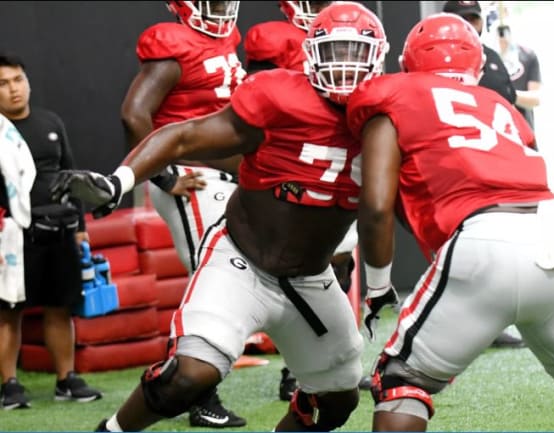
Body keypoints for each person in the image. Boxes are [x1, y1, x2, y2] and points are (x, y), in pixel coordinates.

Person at [50, 2, 389, 431]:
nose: (344, 67)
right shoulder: (278, 94)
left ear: (378, 57)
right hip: (241, 261)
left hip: (308, 277)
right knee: (188, 377)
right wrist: (119, 181)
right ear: (310, 53)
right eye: (334, 52)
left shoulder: (386, 116)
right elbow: (185, 134)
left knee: (338, 400)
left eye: (354, 53)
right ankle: (112, 430)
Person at [346, 13, 554, 432]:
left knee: (402, 380)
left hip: (487, 236)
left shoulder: (394, 96)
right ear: (475, 66)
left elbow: (377, 205)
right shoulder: (499, 106)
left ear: (408, 62)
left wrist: (379, 284)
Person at [120, 1, 246, 427]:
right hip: (192, 178)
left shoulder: (226, 36)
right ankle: (198, 396)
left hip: (222, 173)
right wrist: (164, 175)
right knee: (206, 280)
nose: (219, 8)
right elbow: (133, 113)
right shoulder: (172, 44)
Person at [244, 0, 364, 400]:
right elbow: (253, 101)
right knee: (301, 265)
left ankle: (320, 358)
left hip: (342, 153)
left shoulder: (354, 26)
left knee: (340, 263)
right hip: (296, 158)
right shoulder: (274, 39)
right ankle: (292, 367)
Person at [0, 53, 102, 409]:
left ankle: (66, 380)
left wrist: (80, 228)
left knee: (60, 307)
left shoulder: (50, 121)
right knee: (8, 311)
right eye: (3, 83)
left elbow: (71, 177)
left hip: (59, 232)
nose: (13, 89)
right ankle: (9, 385)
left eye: (18, 80)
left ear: (27, 82)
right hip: (12, 237)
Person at [441, 0, 526, 348]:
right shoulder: (432, 59)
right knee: (456, 249)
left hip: (495, 166)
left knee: (497, 247)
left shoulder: (490, 55)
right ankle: (452, 326)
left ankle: (491, 325)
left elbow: (508, 102)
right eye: (463, 19)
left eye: (474, 18)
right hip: (454, 168)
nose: (470, 25)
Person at [0, 113, 36, 410]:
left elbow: (22, 172)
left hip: (8, 231)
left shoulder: (5, 130)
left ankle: (9, 383)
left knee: (9, 311)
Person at [497, 23, 542, 130]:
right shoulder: (482, 55)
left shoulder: (527, 55)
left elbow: (535, 99)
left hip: (523, 130)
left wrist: (509, 94)